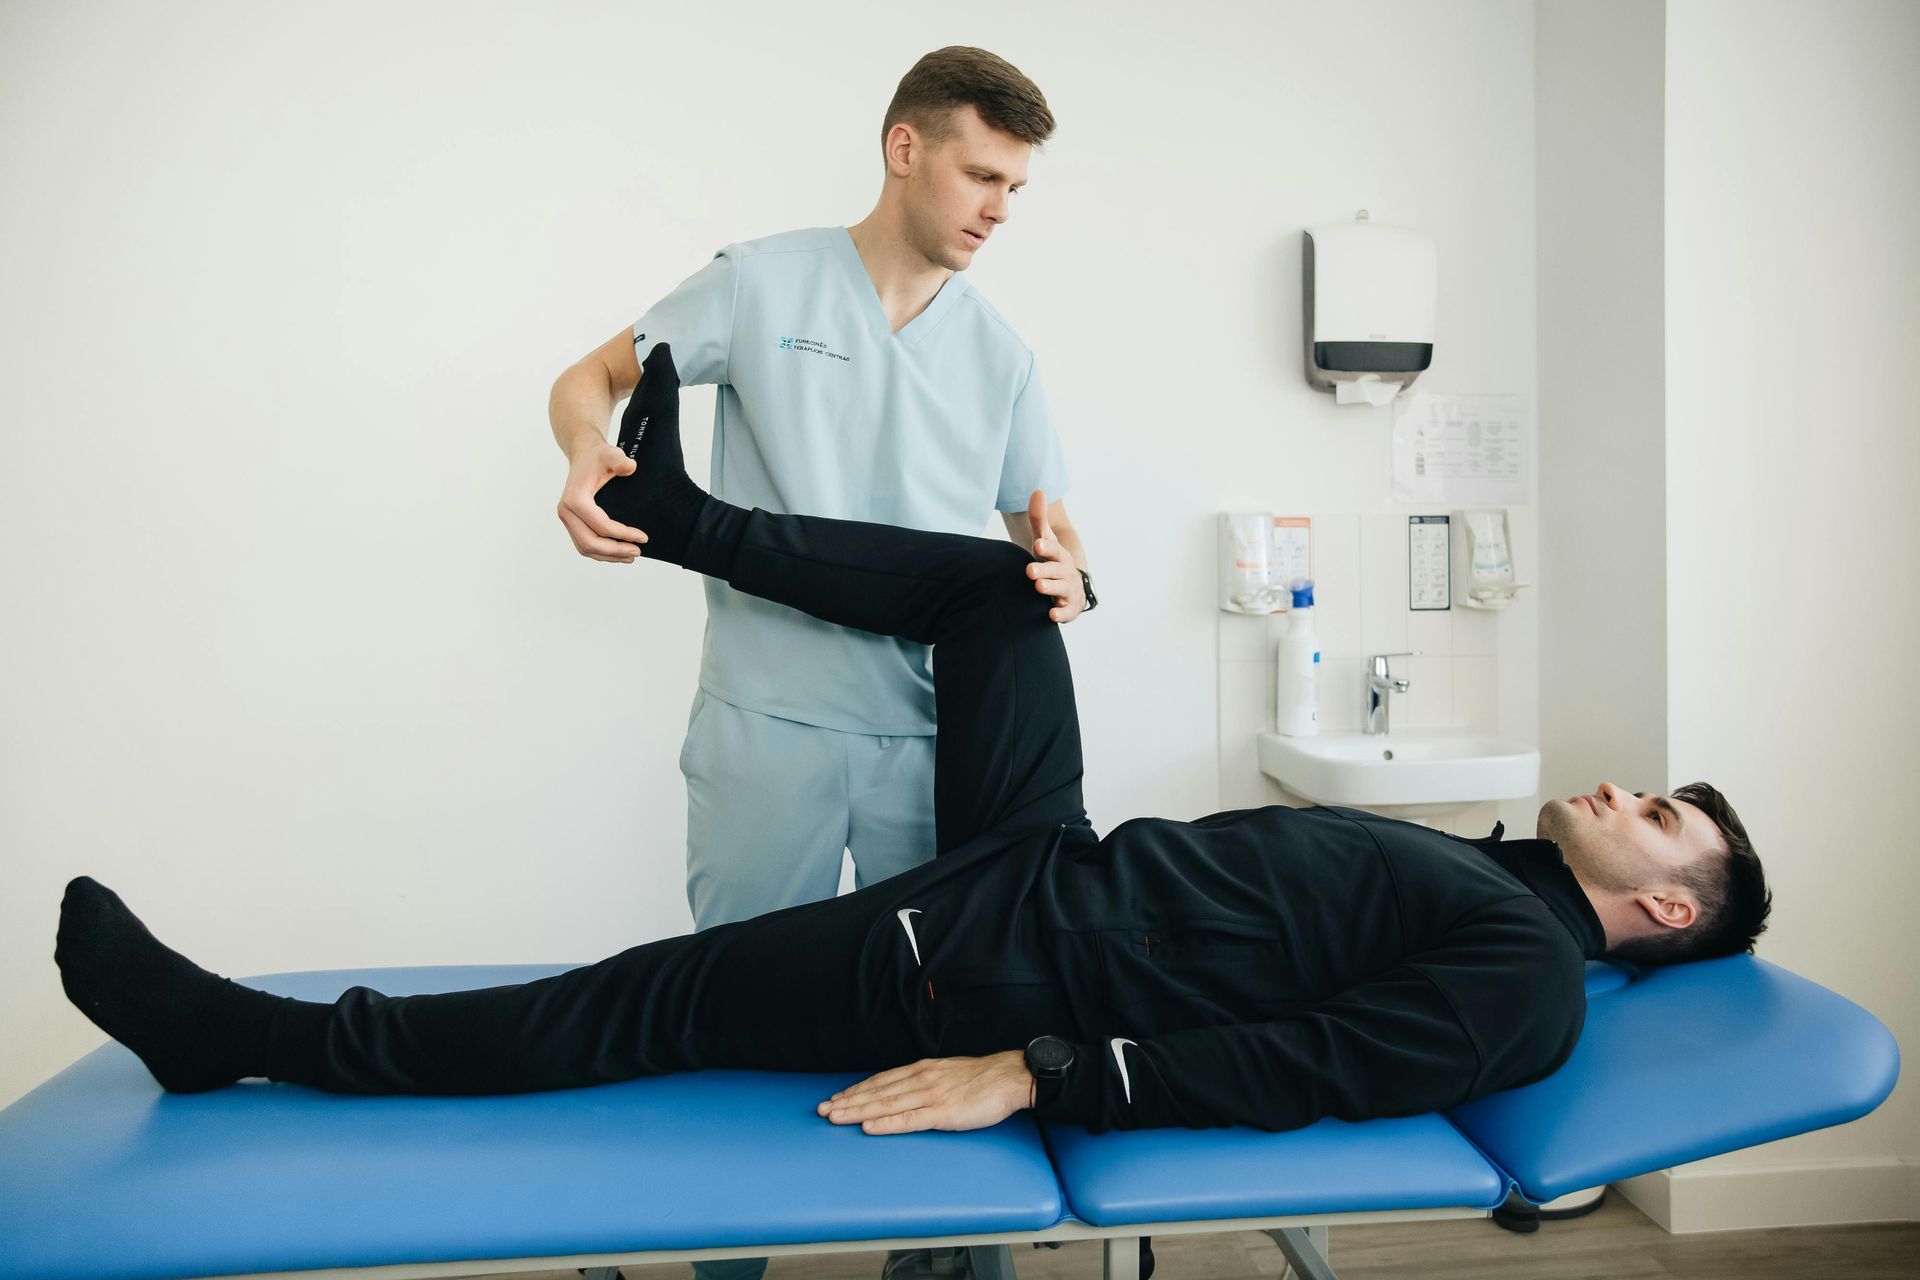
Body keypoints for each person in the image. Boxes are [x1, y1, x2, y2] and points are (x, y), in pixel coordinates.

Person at [57, 347, 1773, 1138]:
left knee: (637, 1001)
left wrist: (1041, 1074)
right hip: (1057, 875)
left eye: (1666, 819)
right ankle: (677, 514)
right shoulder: (1503, 889)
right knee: (1016, 594)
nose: (1632, 790)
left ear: (1674, 910)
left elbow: (1312, 1070)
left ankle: (255, 1042)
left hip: (1000, 969)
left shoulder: (1527, 980)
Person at [548, 46, 1093, 938]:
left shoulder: (1002, 357)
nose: (998, 211)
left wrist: (1071, 577)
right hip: (764, 724)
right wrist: (583, 449)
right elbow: (589, 377)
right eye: (982, 176)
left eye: (1015, 189)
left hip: (925, 738)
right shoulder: (758, 283)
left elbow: (1051, 526)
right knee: (736, 1007)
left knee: (924, 1017)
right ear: (905, 149)